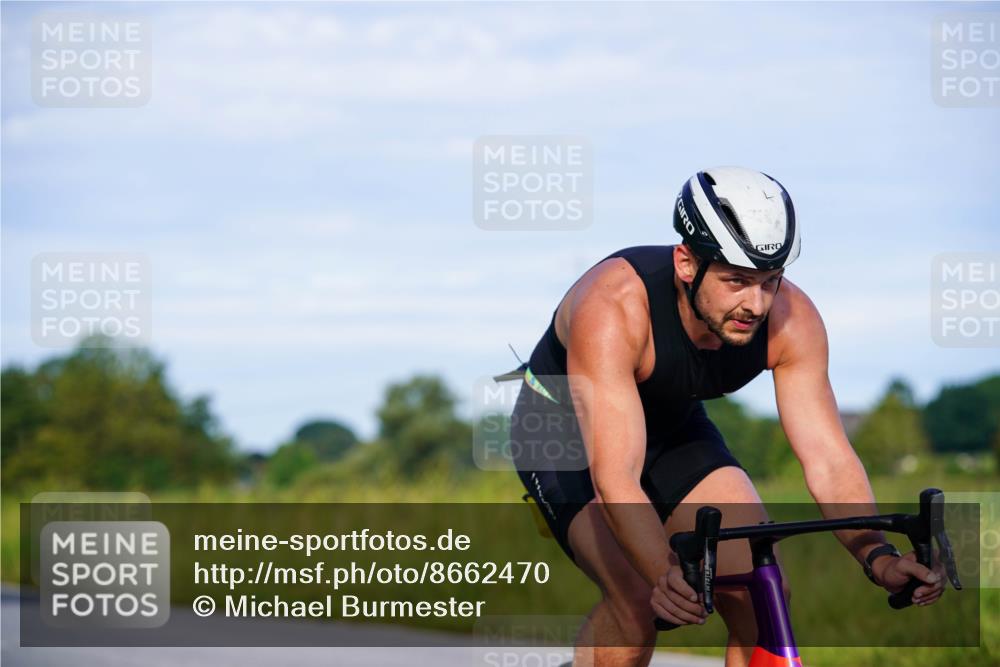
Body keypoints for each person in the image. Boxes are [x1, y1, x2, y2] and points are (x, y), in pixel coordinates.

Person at [509, 167, 946, 667]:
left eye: (769, 282)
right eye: (737, 281)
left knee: (763, 597)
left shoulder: (793, 321)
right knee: (637, 600)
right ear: (686, 263)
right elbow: (615, 474)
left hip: (669, 426)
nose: (754, 304)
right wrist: (663, 572)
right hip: (564, 433)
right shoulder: (613, 308)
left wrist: (878, 556)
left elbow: (828, 458)